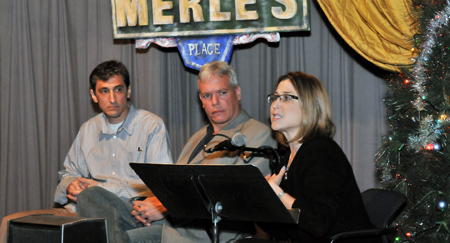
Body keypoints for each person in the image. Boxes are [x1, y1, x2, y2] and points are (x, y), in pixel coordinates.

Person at [79, 61, 278, 243]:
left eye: (222, 93)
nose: (215, 102)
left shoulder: (258, 134)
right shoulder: (197, 137)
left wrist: (165, 206)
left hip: (205, 235)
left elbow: (241, 199)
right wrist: (157, 202)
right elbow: (175, 186)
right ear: (201, 100)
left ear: (238, 92)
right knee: (91, 196)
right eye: (207, 96)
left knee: (115, 239)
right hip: (171, 226)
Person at [0, 60, 173, 243]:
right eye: (104, 91)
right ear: (94, 95)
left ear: (128, 91)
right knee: (9, 222)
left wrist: (100, 189)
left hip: (132, 212)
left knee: (93, 195)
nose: (112, 99)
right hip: (85, 211)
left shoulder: (151, 125)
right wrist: (70, 185)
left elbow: (161, 185)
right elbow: (67, 175)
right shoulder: (88, 129)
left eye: (118, 89)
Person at [244, 71, 379, 243]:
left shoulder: (322, 152)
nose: (275, 105)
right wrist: (260, 199)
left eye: (286, 98)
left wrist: (277, 193)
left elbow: (317, 223)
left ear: (309, 105)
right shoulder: (288, 158)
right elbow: (283, 231)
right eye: (275, 97)